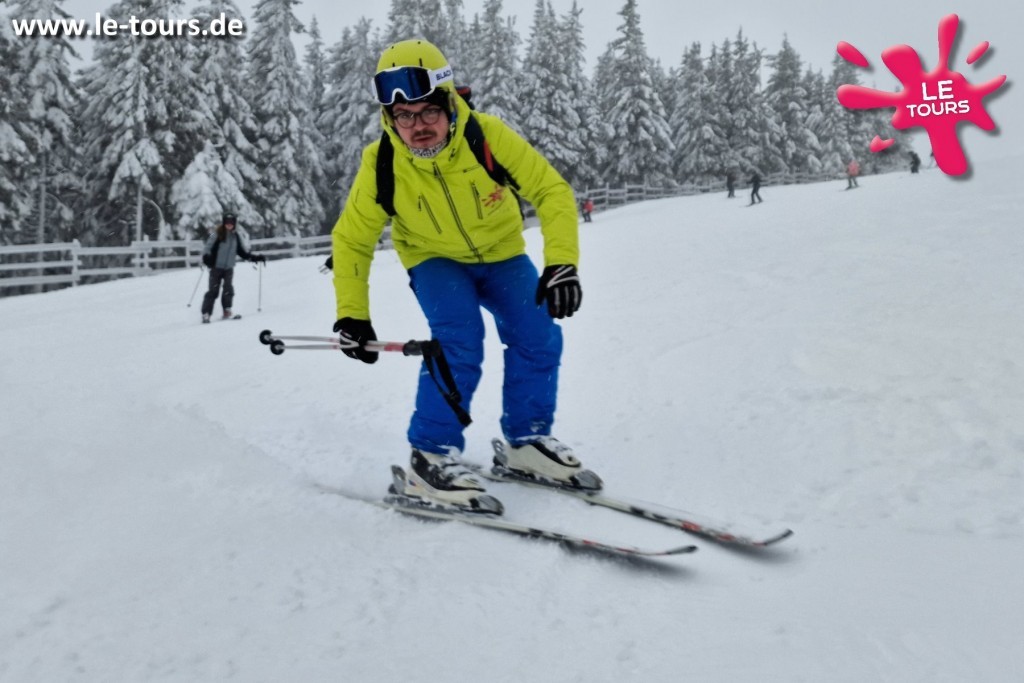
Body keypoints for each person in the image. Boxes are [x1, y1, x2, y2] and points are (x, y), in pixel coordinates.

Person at [330, 39, 589, 513]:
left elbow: (551, 190)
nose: (418, 126)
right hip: (434, 260)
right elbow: (352, 238)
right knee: (459, 340)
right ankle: (429, 457)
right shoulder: (382, 161)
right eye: (403, 116)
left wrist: (561, 263)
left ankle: (527, 441)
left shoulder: (486, 136)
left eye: (428, 111)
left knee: (537, 334)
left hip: (503, 255)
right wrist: (352, 315)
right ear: (389, 119)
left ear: (450, 103)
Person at [200, 212, 265, 323]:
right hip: (216, 267)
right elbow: (208, 247)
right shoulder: (216, 234)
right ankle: (206, 313)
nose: (229, 224)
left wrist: (254, 258)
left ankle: (227, 310)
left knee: (228, 289)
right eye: (227, 222)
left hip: (229, 268)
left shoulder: (235, 236)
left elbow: (242, 252)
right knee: (213, 291)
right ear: (224, 223)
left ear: (234, 224)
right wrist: (206, 258)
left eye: (231, 223)